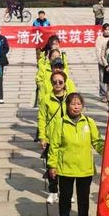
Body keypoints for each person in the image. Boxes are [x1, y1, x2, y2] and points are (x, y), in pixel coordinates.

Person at [48, 92, 104, 216]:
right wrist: (52, 165)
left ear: (82, 106)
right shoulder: (60, 123)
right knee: (65, 197)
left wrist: (107, 151)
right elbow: (54, 145)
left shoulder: (89, 122)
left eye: (79, 104)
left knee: (83, 197)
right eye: (73, 104)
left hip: (85, 168)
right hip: (66, 167)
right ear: (67, 106)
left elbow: (97, 142)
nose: (76, 107)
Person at [38, 71, 75, 205]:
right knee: (52, 166)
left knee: (67, 167)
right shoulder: (46, 99)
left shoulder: (70, 99)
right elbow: (42, 119)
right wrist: (42, 137)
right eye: (55, 82)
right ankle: (53, 191)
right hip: (51, 138)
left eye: (60, 82)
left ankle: (67, 193)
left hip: (68, 137)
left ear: (65, 83)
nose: (58, 84)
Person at [95, 23, 109, 102]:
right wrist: (102, 62)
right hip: (102, 62)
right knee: (102, 78)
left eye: (108, 29)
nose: (107, 31)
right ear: (103, 30)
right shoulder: (99, 39)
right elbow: (98, 51)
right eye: (106, 29)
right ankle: (103, 94)